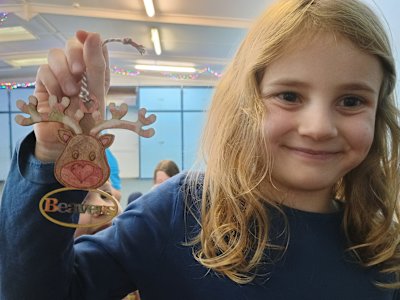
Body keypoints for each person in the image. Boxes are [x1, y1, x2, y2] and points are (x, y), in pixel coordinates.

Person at [1, 0, 400, 299]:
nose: (318, 128)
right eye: (290, 95)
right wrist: (55, 157)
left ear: (378, 112)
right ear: (247, 104)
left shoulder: (384, 250)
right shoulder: (179, 211)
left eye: (351, 101)